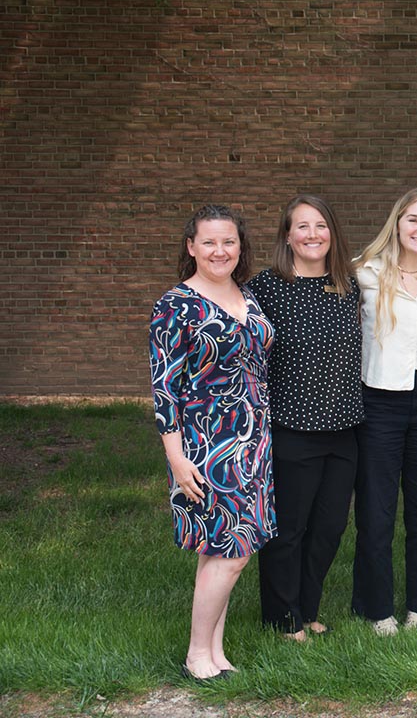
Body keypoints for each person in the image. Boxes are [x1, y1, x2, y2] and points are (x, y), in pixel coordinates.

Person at [149, 205, 275, 680]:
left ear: (240, 246)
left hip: (253, 440)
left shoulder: (245, 295)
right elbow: (164, 387)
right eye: (209, 242)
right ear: (191, 247)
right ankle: (197, 655)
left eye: (228, 242)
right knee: (233, 552)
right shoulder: (175, 305)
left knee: (219, 551)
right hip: (206, 447)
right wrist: (177, 458)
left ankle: (216, 654)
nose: (219, 250)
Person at [248, 195, 363, 642]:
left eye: (321, 225)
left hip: (344, 429)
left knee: (330, 527)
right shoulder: (267, 287)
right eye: (302, 227)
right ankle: (282, 618)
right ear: (287, 236)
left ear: (332, 233)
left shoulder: (346, 285)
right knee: (289, 530)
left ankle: (308, 609)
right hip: (291, 428)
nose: (313, 234)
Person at [350, 188, 417, 636]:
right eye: (413, 220)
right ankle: (375, 609)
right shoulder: (364, 272)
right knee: (376, 511)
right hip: (378, 399)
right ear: (397, 223)